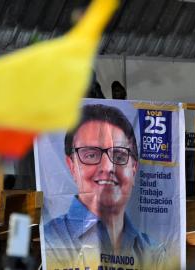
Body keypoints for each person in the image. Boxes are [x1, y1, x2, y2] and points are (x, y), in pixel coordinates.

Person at [43, 104, 164, 269]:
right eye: (91, 154)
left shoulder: (155, 252)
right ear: (72, 166)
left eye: (120, 155)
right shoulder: (50, 241)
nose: (108, 168)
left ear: (134, 169)